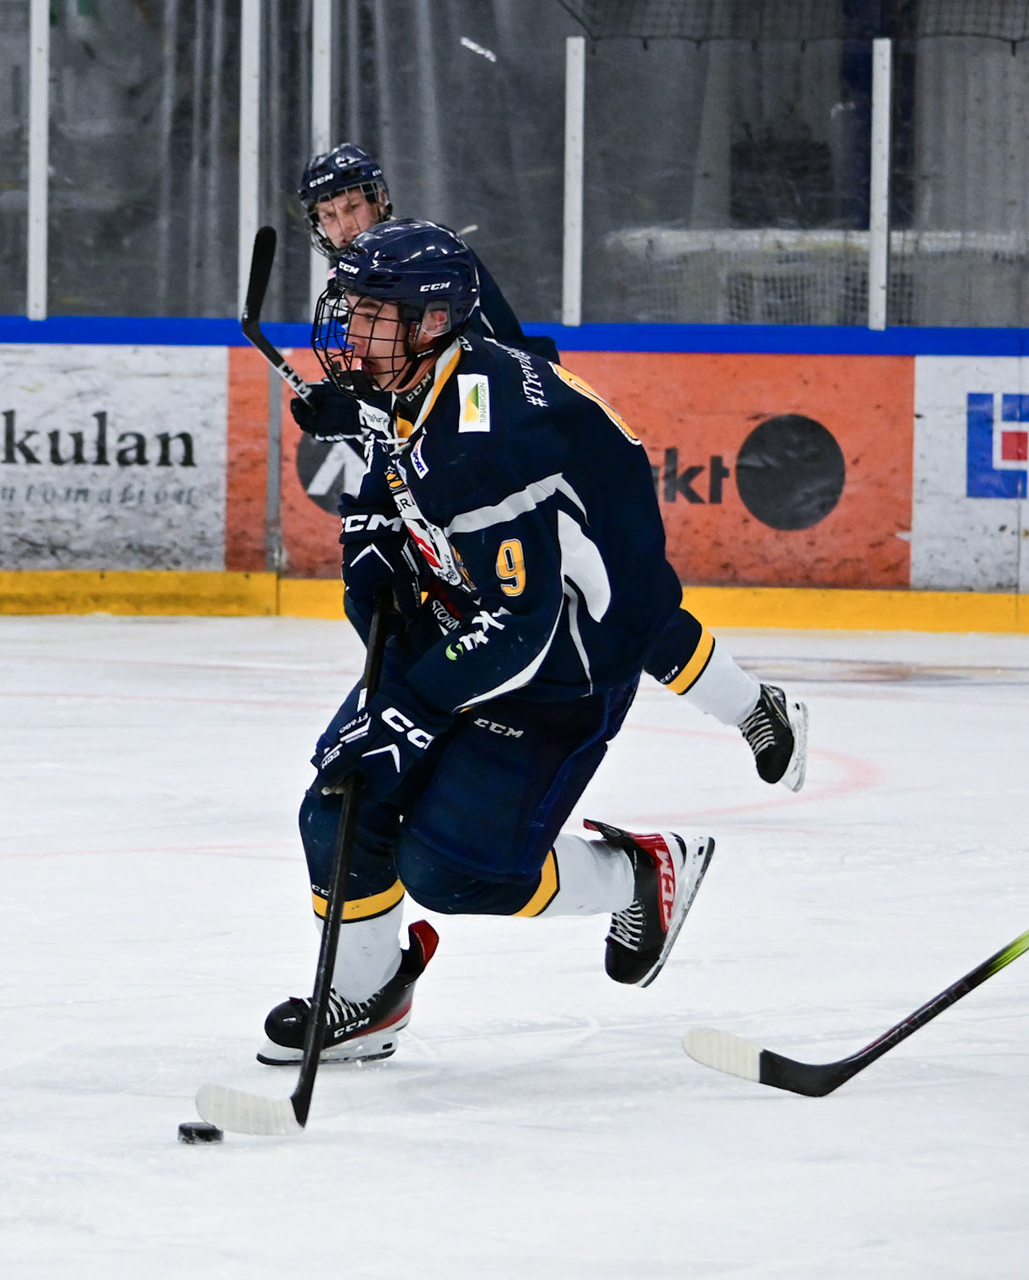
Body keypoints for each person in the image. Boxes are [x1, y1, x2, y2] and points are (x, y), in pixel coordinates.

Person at [260, 219, 723, 1066]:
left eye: (373, 312)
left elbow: (520, 623)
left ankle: (639, 873)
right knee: (341, 802)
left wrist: (409, 713)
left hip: (560, 668)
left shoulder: (486, 439)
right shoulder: (424, 374)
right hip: (461, 623)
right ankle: (366, 1000)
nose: (351, 327)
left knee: (452, 871)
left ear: (433, 321)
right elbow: (398, 456)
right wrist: (373, 528)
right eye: (352, 306)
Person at [287, 142, 808, 797]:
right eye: (329, 215)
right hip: (452, 472)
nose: (344, 224)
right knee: (462, 614)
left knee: (614, 604)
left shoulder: (427, 264)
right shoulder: (357, 288)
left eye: (352, 206)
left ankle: (751, 707)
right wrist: (353, 405)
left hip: (517, 462)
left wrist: (370, 405)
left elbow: (482, 370)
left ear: (380, 199)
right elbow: (403, 400)